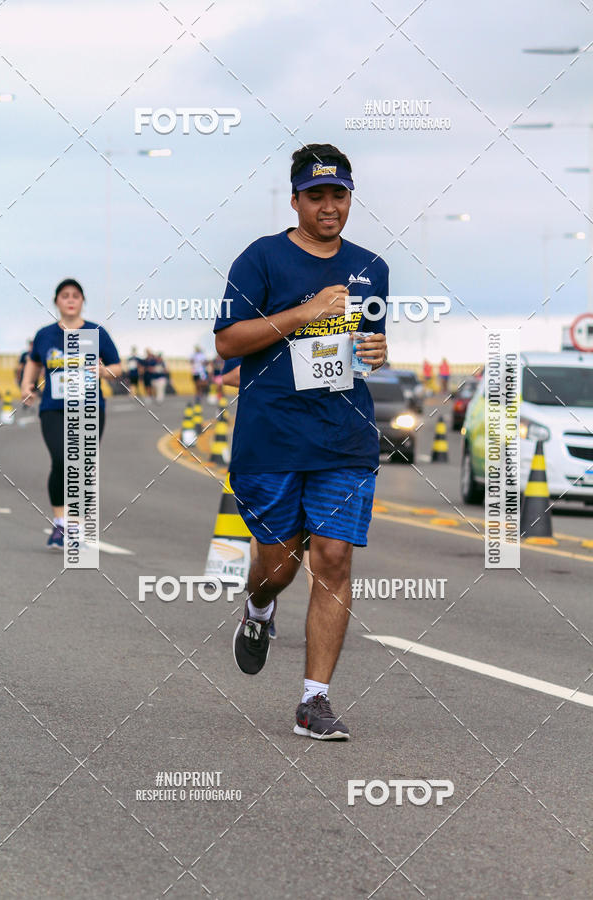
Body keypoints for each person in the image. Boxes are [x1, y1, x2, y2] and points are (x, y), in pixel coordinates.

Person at [214, 143, 388, 741]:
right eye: (317, 195)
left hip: (344, 438)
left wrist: (377, 352)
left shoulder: (371, 268)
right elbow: (229, 343)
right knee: (278, 564)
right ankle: (259, 606)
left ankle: (314, 701)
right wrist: (306, 310)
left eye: (339, 194)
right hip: (273, 438)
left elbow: (363, 348)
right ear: (295, 201)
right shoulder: (260, 259)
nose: (329, 206)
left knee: (334, 559)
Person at [21, 279, 121, 549]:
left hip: (89, 408)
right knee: (62, 459)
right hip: (54, 408)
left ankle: (74, 528)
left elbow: (117, 366)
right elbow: (33, 360)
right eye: (65, 295)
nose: (70, 300)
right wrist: (26, 385)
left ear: (82, 301)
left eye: (76, 295)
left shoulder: (95, 332)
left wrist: (103, 371)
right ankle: (60, 523)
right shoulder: (46, 335)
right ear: (57, 301)